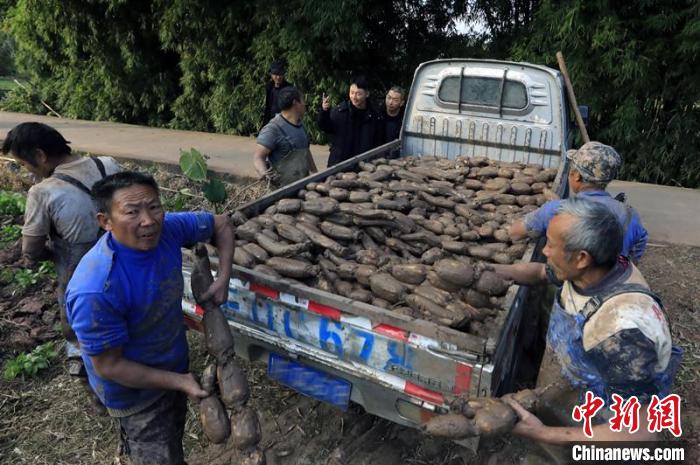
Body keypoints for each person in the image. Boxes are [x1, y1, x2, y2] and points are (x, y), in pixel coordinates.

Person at [484, 197, 681, 461]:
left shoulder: (622, 331)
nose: (545, 251)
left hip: (604, 436)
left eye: (551, 245)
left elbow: (640, 430)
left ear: (581, 258)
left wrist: (543, 433)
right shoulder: (595, 269)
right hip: (574, 397)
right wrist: (489, 270)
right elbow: (542, 273)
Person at [65, 171, 234, 465]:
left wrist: (224, 278)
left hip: (172, 366)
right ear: (105, 222)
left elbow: (222, 224)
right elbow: (108, 366)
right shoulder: (95, 289)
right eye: (132, 212)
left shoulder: (167, 230)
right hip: (135, 396)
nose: (148, 220)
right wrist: (179, 381)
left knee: (174, 439)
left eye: (154, 206)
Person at [1, 122, 120, 392]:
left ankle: (96, 386)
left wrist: (53, 255)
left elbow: (30, 250)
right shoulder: (107, 165)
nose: (28, 171)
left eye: (24, 164)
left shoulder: (43, 192)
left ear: (41, 156)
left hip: (80, 273)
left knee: (81, 331)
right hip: (125, 260)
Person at [509, 141, 648, 262]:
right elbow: (634, 256)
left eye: (571, 170)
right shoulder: (631, 215)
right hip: (613, 287)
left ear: (576, 176)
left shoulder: (555, 210)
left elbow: (515, 232)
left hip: (572, 289)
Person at [254, 86, 318, 186]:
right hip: (281, 192)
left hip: (302, 187)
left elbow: (306, 151)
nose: (304, 104)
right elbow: (258, 158)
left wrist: (315, 173)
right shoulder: (273, 129)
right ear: (295, 103)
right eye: (302, 101)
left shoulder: (300, 125)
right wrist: (265, 175)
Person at [318, 75, 384, 167]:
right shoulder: (340, 111)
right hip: (339, 164)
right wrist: (324, 112)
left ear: (367, 94)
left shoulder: (375, 116)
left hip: (364, 167)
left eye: (358, 94)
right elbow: (326, 127)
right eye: (352, 92)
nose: (354, 97)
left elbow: (378, 142)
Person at [262, 60, 293, 129]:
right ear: (271, 75)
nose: (278, 77)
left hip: (284, 124)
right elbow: (267, 108)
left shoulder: (289, 88)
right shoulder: (269, 87)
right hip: (270, 122)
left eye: (280, 74)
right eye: (276, 74)